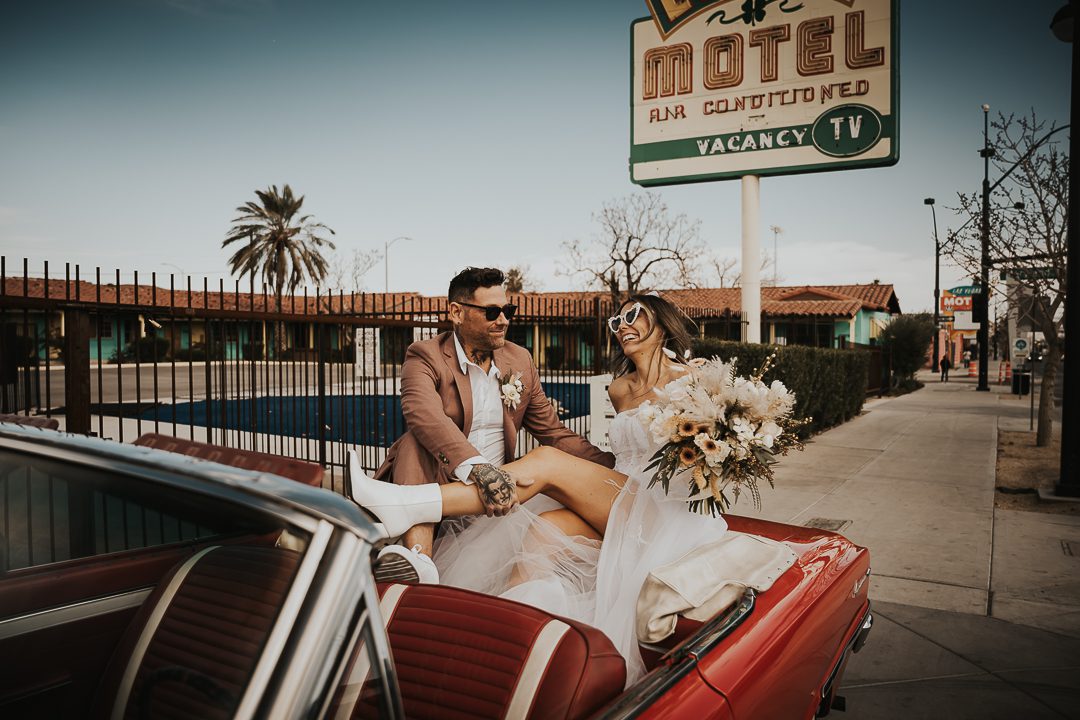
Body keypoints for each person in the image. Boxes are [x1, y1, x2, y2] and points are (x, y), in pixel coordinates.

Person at [349, 293, 731, 684]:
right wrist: (584, 477)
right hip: (622, 499)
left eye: (634, 315)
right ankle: (512, 650)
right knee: (541, 533)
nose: (623, 326)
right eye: (617, 321)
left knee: (547, 460)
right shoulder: (620, 389)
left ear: (663, 322)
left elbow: (720, 450)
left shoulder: (693, 379)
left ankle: (409, 503)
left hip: (666, 508)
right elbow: (625, 455)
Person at [367, 267, 614, 584]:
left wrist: (612, 466)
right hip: (444, 481)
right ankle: (419, 563)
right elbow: (423, 414)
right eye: (492, 312)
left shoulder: (519, 359)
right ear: (457, 312)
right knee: (414, 441)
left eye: (508, 310)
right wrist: (479, 469)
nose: (503, 320)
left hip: (497, 498)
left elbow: (553, 433)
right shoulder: (426, 355)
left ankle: (414, 549)